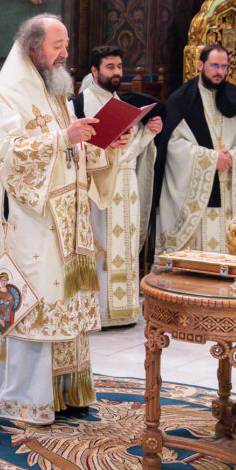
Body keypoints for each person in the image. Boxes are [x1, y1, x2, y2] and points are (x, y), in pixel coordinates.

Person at [0, 14, 131, 424]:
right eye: (57, 45)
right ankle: (19, 396)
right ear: (33, 48)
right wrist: (63, 139)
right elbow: (4, 156)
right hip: (24, 225)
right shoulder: (4, 99)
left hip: (63, 220)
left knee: (58, 301)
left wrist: (106, 146)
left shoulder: (58, 96)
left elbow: (71, 155)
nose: (65, 52)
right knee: (30, 306)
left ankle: (61, 391)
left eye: (65, 44)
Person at [72, 46, 162, 328]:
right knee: (101, 245)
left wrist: (149, 132)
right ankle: (98, 311)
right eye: (110, 67)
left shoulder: (123, 104)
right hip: (95, 186)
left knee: (125, 244)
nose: (117, 72)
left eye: (119, 66)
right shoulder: (79, 105)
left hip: (126, 183)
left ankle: (123, 310)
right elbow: (74, 148)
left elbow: (129, 150)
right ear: (95, 71)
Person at [154, 44, 236, 257]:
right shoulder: (181, 99)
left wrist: (231, 157)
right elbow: (172, 145)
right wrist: (210, 159)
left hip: (223, 190)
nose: (219, 72)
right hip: (193, 198)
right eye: (214, 65)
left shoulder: (232, 98)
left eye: (224, 67)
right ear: (200, 65)